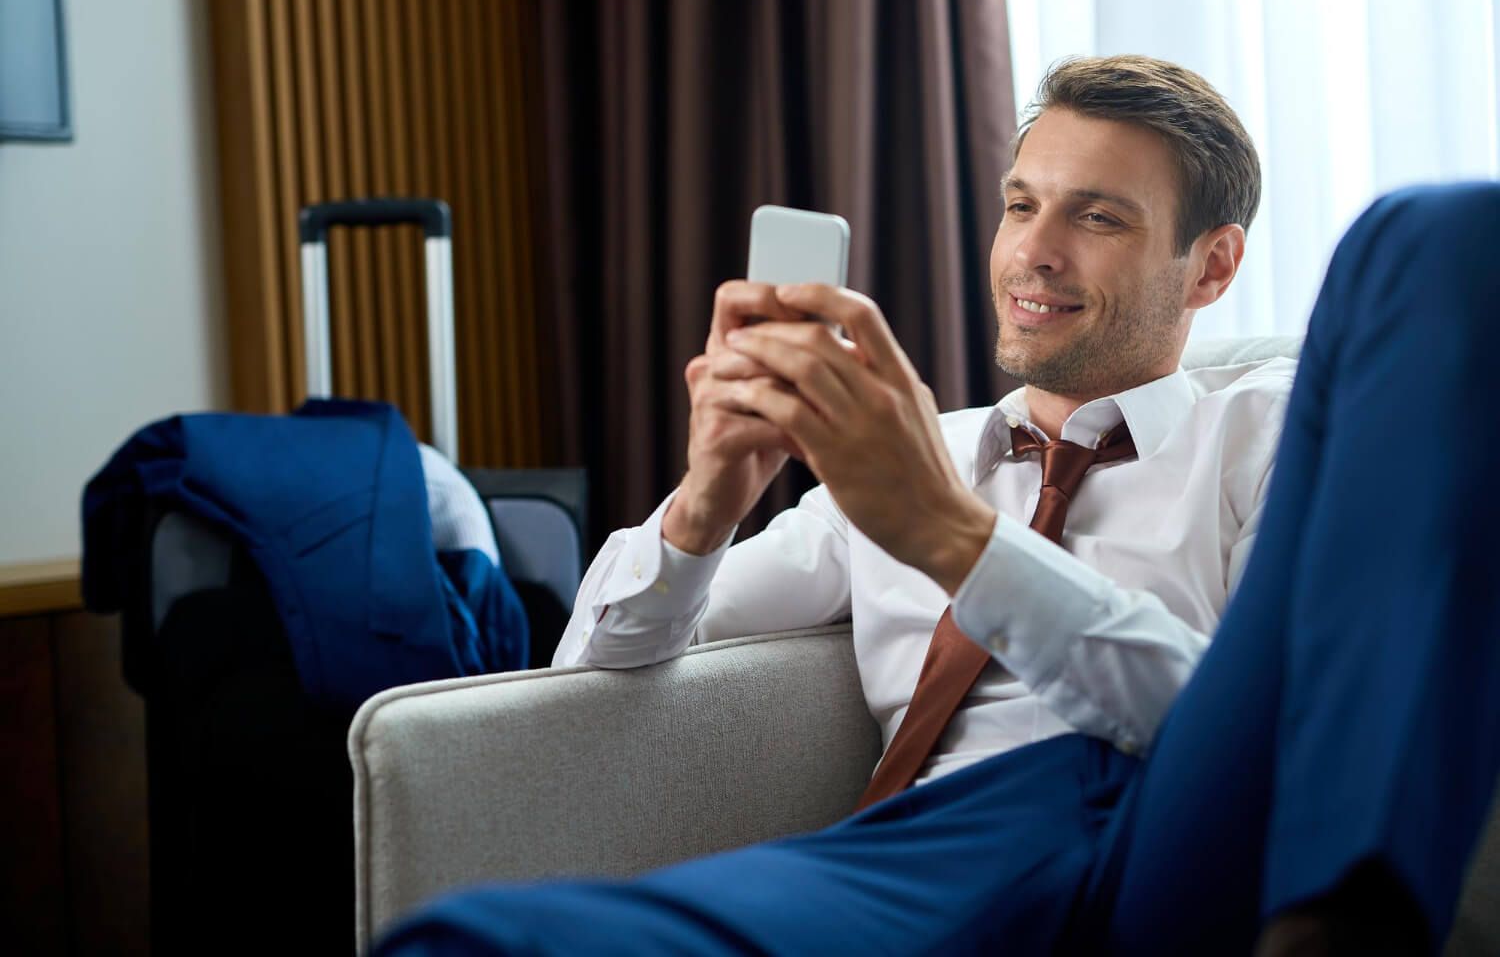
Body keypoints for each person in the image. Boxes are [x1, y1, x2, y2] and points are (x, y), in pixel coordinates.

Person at [376, 56, 1500, 955]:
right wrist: (707, 500)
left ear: (1210, 269)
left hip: (1172, 821)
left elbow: (1266, 726)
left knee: (1440, 233)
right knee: (471, 937)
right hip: (917, 854)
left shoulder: (1259, 428)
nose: (1035, 253)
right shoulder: (908, 450)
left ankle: (1343, 921)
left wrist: (951, 537)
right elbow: (587, 682)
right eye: (1022, 205)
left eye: (1098, 218)